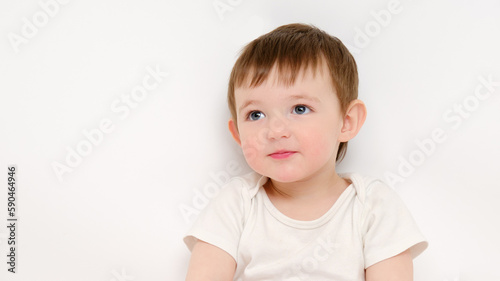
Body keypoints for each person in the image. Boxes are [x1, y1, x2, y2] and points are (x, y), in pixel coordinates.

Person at [183, 23, 428, 281]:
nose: (275, 130)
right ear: (238, 135)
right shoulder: (237, 203)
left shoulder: (373, 206)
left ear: (346, 121)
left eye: (299, 109)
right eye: (256, 114)